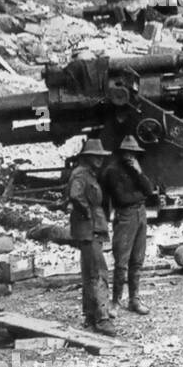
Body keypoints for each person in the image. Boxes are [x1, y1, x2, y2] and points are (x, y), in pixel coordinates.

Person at [101, 136, 155, 317]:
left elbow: (149, 190)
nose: (131, 156)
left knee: (137, 260)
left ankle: (134, 299)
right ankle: (115, 301)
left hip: (140, 214)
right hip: (125, 216)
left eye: (133, 153)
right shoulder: (112, 171)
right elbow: (122, 197)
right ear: (122, 153)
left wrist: (139, 173)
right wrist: (139, 194)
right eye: (128, 152)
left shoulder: (135, 169)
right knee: (122, 262)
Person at [68, 139, 115, 336]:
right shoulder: (81, 174)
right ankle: (102, 318)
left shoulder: (88, 174)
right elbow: (75, 195)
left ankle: (89, 314)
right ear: (87, 157)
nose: (99, 160)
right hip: (89, 229)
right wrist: (87, 214)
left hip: (91, 228)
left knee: (89, 272)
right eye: (96, 156)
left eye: (101, 157)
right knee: (99, 273)